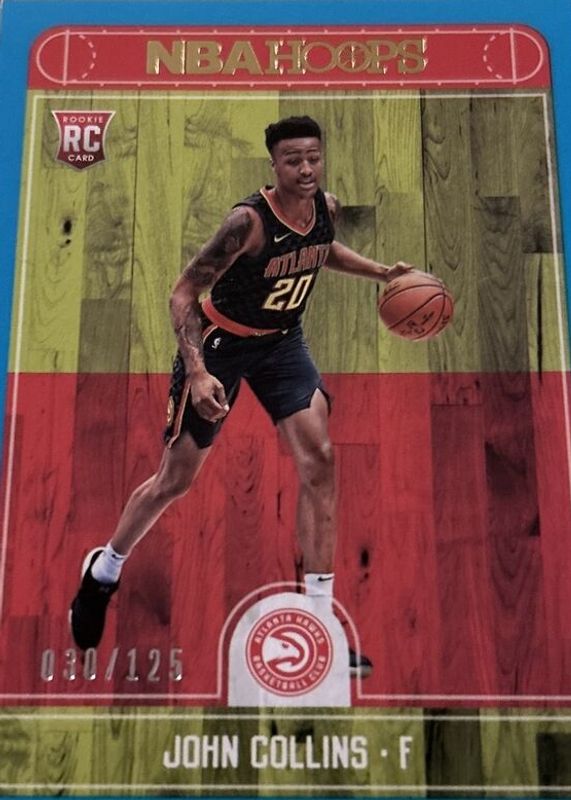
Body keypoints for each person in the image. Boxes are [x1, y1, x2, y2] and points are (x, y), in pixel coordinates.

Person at [70, 115, 412, 677]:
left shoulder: (325, 208)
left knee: (321, 461)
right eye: (293, 160)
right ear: (273, 165)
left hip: (282, 344)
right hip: (220, 344)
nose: (306, 169)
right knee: (175, 480)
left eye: (313, 158)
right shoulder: (247, 223)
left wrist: (381, 273)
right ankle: (103, 571)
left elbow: (320, 249)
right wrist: (198, 372)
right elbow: (183, 292)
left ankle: (320, 622)